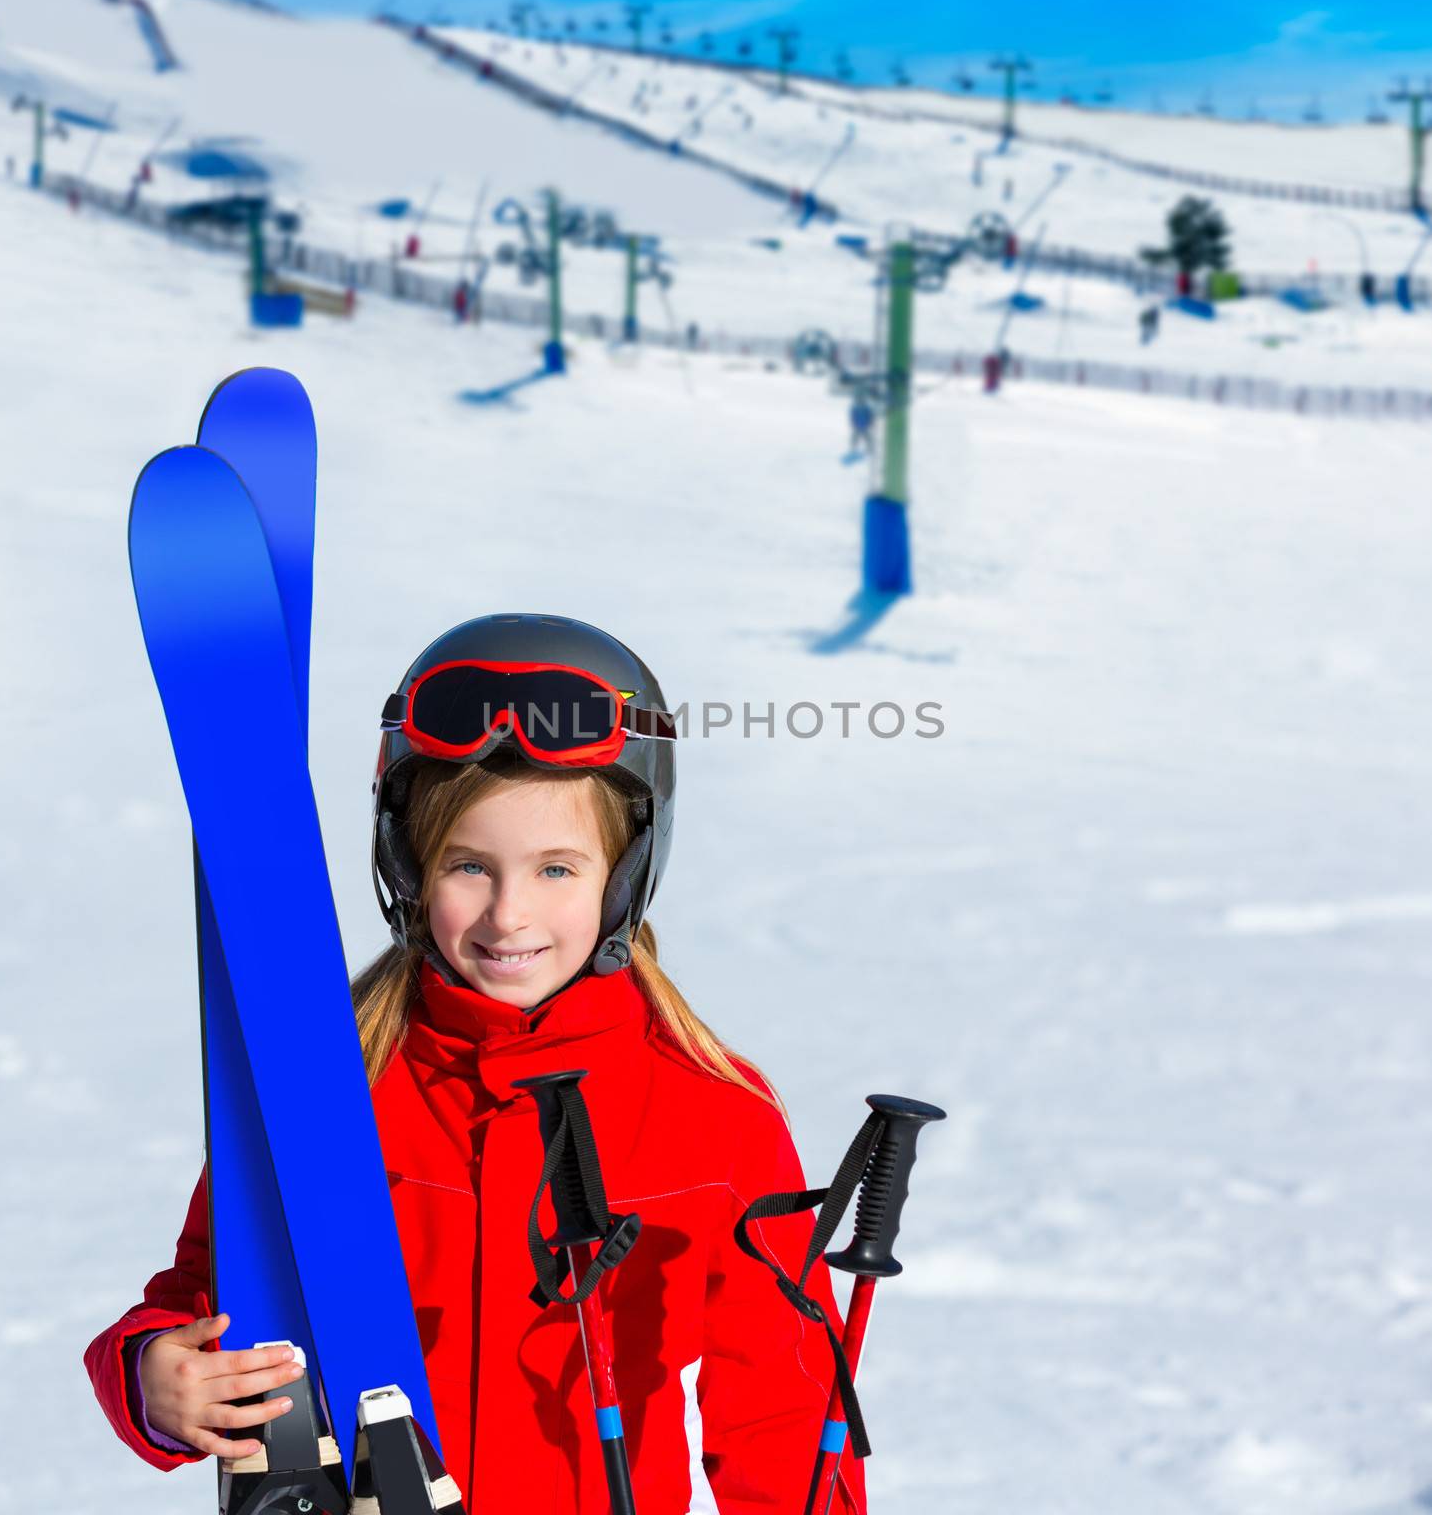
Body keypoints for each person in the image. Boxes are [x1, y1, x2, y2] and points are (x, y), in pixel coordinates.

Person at [83, 613, 867, 1515]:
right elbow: (199, 1296)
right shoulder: (326, 1085)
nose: (508, 916)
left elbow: (783, 1407)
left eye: (557, 870)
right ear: (408, 865)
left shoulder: (712, 1113)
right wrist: (151, 1376)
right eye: (468, 865)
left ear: (626, 872)